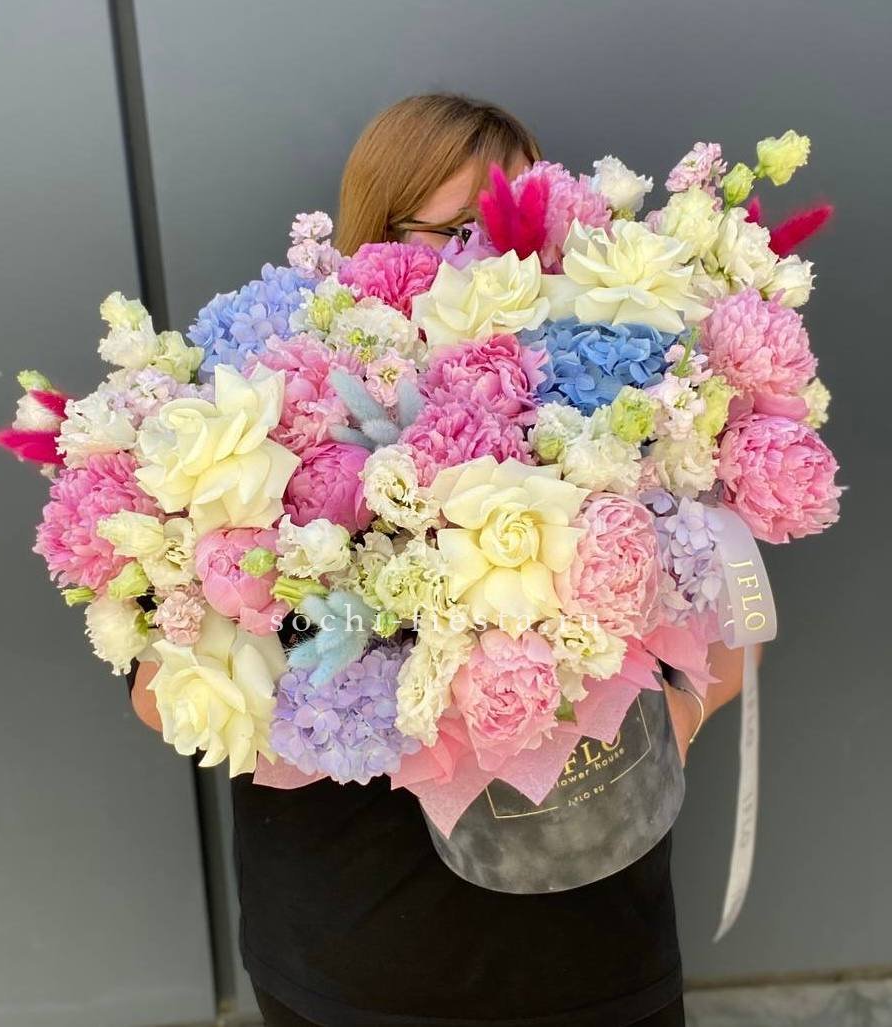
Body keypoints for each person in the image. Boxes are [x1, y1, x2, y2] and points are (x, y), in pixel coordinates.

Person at [130, 93, 751, 1027]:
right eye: (462, 229)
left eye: (526, 221)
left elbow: (728, 626)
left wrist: (653, 713)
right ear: (378, 233)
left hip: (583, 944)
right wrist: (338, 697)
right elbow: (156, 692)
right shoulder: (259, 405)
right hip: (350, 947)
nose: (500, 256)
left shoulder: (628, 381)